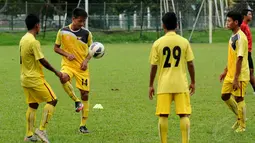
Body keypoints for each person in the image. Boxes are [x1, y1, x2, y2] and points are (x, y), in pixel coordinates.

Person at [149, 12, 195, 143]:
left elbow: (153, 66)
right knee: (184, 114)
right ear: (177, 25)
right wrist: (193, 82)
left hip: (164, 85)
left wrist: (150, 85)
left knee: (163, 115)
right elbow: (190, 63)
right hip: (181, 84)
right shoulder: (184, 42)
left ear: (163, 25)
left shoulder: (157, 43)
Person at [20, 14, 62, 142]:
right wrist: (57, 72)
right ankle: (41, 130)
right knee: (53, 100)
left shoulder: (23, 39)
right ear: (37, 25)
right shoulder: (33, 41)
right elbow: (42, 60)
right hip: (35, 78)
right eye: (40, 25)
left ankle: (29, 134)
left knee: (33, 104)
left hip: (24, 78)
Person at [54, 8, 93, 133]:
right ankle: (76, 101)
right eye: (80, 21)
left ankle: (83, 125)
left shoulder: (87, 33)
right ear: (73, 19)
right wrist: (66, 54)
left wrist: (86, 61)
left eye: (84, 21)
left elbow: (92, 50)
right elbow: (56, 48)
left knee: (85, 94)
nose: (82, 24)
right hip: (68, 65)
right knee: (63, 77)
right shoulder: (62, 31)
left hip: (82, 68)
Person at [220, 11, 249, 132]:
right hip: (230, 74)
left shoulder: (241, 38)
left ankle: (242, 126)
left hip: (240, 75)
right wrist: (225, 71)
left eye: (229, 21)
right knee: (225, 96)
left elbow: (239, 58)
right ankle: (239, 117)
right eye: (227, 20)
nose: (227, 23)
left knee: (239, 98)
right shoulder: (233, 35)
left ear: (236, 22)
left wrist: (236, 78)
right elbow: (232, 56)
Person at [241, 8, 255, 94]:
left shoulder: (246, 25)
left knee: (250, 72)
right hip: (245, 53)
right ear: (244, 16)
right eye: (249, 14)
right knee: (249, 72)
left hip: (248, 52)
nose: (251, 16)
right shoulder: (242, 26)